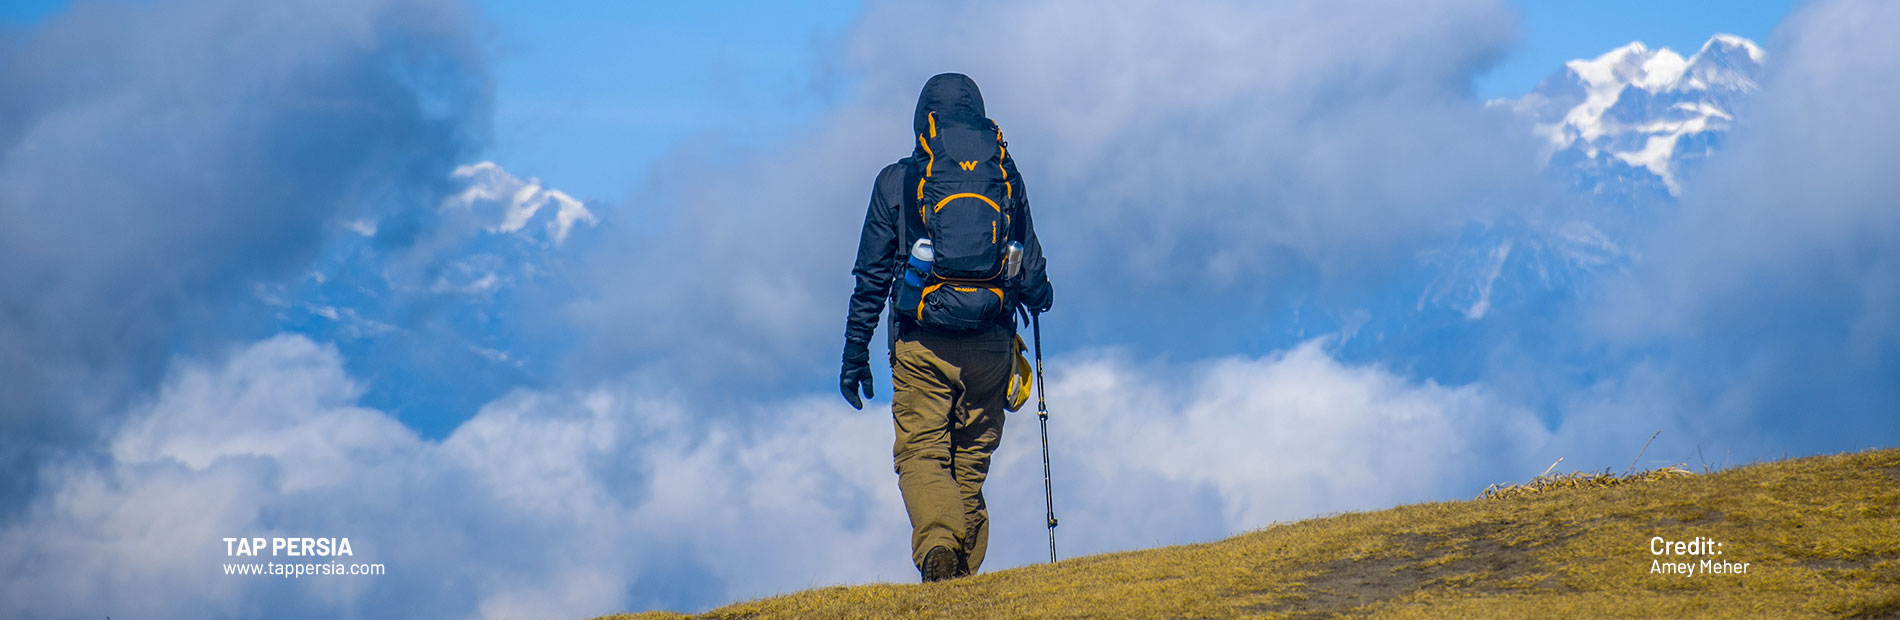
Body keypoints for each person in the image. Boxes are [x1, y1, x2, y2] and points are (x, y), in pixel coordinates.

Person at [838, 73, 1054, 582]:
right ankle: (962, 580)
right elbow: (1033, 265)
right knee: (970, 463)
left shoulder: (896, 180)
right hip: (991, 342)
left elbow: (870, 277)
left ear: (923, 119)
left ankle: (940, 551)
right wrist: (1038, 299)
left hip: (921, 343)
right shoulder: (1003, 173)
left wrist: (854, 354)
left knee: (921, 453)